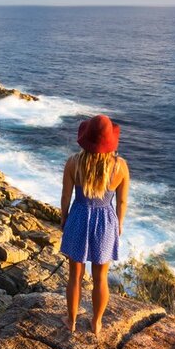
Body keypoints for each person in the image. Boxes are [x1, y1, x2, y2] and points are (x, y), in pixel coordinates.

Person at [59, 115, 129, 335]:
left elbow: (66, 197)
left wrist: (64, 219)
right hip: (106, 221)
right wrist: (119, 225)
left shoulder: (73, 163)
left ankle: (71, 321)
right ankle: (96, 323)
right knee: (100, 277)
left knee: (75, 275)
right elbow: (122, 201)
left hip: (79, 216)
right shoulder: (120, 167)